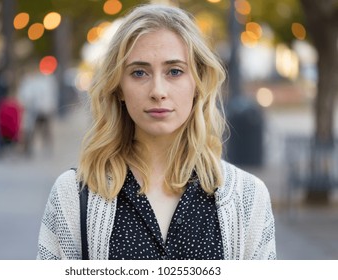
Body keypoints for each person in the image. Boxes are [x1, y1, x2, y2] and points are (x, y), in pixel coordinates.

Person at [37, 4, 276, 260]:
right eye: (139, 73)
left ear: (197, 82)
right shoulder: (73, 195)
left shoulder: (248, 197)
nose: (158, 91)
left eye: (175, 71)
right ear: (118, 87)